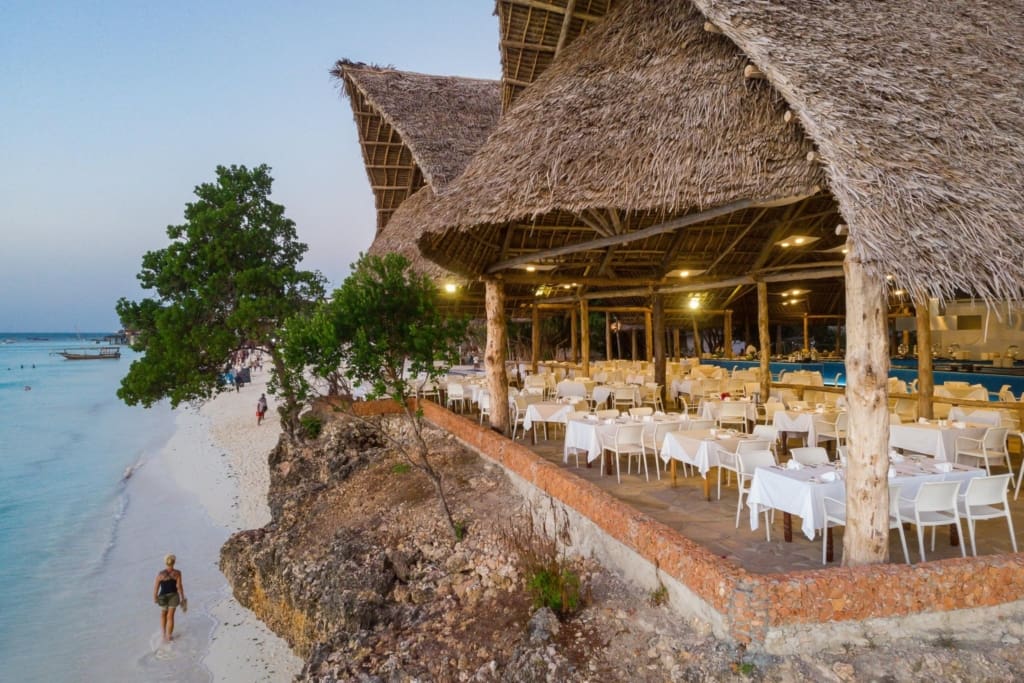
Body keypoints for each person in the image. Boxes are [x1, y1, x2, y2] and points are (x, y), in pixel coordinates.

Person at [153, 554, 185, 641]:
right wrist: (182, 598)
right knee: (170, 616)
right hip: (173, 596)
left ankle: (163, 635)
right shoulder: (177, 573)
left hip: (162, 596)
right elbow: (179, 586)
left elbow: (156, 587)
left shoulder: (160, 574)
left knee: (163, 615)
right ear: (174, 562)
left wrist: (155, 597)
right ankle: (169, 637)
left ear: (165, 562)